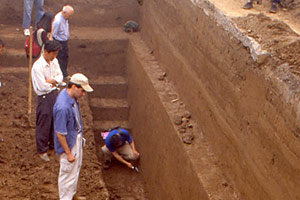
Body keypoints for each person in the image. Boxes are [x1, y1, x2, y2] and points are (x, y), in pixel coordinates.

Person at [53, 73, 93, 200]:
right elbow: (60, 133)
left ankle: (72, 195)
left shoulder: (71, 98)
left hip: (75, 136)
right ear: (74, 87)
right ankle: (66, 197)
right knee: (67, 174)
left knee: (75, 169)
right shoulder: (63, 107)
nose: (84, 94)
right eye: (82, 90)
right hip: (69, 143)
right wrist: (68, 152)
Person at [31, 40, 63, 162]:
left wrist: (52, 81)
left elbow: (60, 77)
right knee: (44, 122)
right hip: (44, 97)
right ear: (45, 52)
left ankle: (53, 145)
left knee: (54, 120)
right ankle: (41, 150)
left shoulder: (54, 61)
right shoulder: (37, 67)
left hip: (54, 94)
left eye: (56, 54)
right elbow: (42, 86)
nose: (54, 57)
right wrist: (53, 83)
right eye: (52, 54)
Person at [52, 5, 74, 79]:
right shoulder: (57, 21)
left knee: (65, 57)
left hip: (64, 41)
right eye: (69, 16)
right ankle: (59, 76)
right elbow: (54, 34)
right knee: (59, 59)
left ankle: (64, 74)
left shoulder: (65, 18)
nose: (70, 18)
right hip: (59, 41)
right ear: (64, 12)